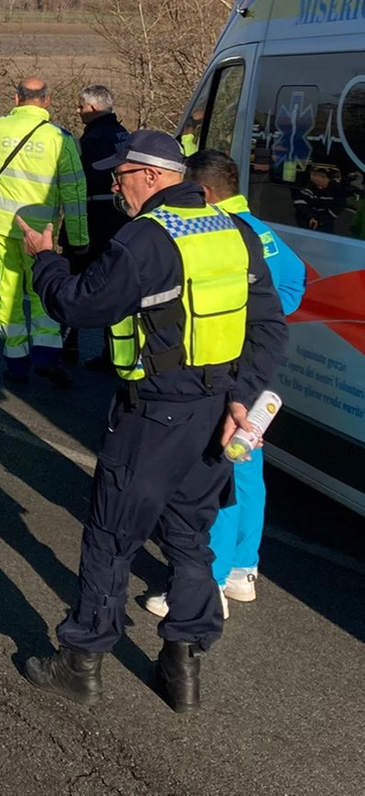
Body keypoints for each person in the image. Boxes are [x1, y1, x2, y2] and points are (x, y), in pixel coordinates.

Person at [16, 130, 287, 713]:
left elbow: (80, 305)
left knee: (112, 536)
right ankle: (183, 666)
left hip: (154, 414)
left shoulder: (146, 240)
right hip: (216, 415)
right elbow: (270, 328)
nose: (114, 186)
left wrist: (45, 261)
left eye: (121, 176)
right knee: (191, 540)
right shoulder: (234, 232)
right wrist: (242, 399)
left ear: (153, 175)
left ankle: (81, 661)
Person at [135, 149, 306, 617]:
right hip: (258, 368)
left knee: (216, 473)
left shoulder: (216, 229)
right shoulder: (265, 232)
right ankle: (242, 571)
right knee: (246, 467)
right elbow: (294, 281)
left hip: (223, 368)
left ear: (204, 192)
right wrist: (265, 321)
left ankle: (205, 583)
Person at [0, 78, 88, 387]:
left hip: (0, 228)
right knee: (42, 290)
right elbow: (76, 194)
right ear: (48, 101)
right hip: (41, 234)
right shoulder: (60, 139)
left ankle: (16, 362)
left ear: (16, 99)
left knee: (8, 295)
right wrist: (79, 240)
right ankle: (47, 355)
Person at [65, 84, 132, 369]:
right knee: (114, 283)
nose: (78, 112)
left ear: (92, 108)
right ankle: (114, 351)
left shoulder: (93, 139)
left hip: (94, 218)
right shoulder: (123, 134)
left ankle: (67, 346)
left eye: (80, 107)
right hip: (120, 218)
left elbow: (82, 184)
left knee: (75, 282)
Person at [294, 163, 346, 233]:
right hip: (304, 220)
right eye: (314, 175)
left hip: (325, 222)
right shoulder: (306, 186)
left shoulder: (336, 189)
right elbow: (300, 202)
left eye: (322, 176)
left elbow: (339, 205)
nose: (317, 178)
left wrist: (321, 220)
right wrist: (310, 217)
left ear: (329, 178)